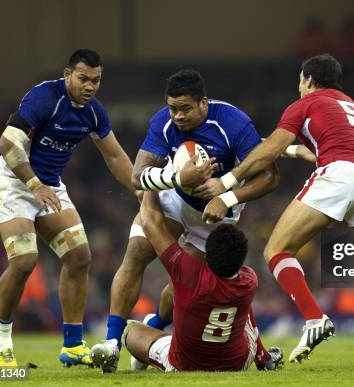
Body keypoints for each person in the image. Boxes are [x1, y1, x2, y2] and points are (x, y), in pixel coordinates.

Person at [207, 54, 354, 371]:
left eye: (300, 80)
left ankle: (314, 318)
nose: (299, 86)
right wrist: (290, 149)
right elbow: (302, 147)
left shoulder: (304, 104)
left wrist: (227, 183)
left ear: (308, 79)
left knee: (277, 248)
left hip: (341, 173)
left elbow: (272, 148)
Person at [91, 69, 285, 373]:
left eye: (185, 109)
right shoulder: (163, 123)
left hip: (216, 216)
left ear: (204, 103)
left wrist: (227, 196)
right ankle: (112, 343)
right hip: (174, 200)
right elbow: (136, 175)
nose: (178, 116)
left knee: (183, 285)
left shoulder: (233, 124)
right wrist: (177, 178)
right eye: (173, 108)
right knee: (136, 255)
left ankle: (153, 325)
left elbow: (271, 176)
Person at [0, 49, 135, 367]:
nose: (90, 86)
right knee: (25, 261)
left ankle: (72, 345)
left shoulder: (94, 112)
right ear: (68, 74)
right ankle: (1, 335)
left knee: (79, 257)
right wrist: (34, 185)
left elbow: (114, 156)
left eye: (96, 80)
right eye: (83, 78)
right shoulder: (45, 98)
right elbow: (7, 145)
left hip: (49, 186)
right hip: (14, 181)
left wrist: (140, 190)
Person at [118, 191, 284, 372]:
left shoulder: (187, 271)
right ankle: (263, 357)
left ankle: (158, 345)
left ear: (208, 254)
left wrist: (151, 186)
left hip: (184, 364)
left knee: (132, 332)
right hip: (238, 363)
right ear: (241, 257)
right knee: (243, 306)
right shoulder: (250, 279)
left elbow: (151, 224)